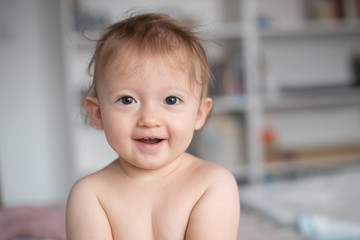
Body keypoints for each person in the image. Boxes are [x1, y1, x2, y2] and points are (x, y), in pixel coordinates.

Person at [66, 12, 240, 240]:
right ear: (97, 114)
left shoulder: (212, 184)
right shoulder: (90, 194)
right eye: (127, 100)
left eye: (171, 100)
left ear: (199, 114)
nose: (149, 119)